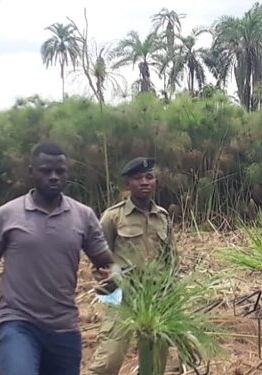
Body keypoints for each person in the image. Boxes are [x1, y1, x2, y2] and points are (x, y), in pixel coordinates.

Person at [0, 142, 114, 375]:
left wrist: (115, 282)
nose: (53, 177)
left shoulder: (83, 216)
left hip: (64, 328)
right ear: (31, 172)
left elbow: (108, 266)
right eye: (45, 170)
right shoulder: (8, 215)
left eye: (60, 171)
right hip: (18, 324)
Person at [88, 157, 176, 375]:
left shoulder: (162, 217)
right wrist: (111, 291)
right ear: (128, 185)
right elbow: (99, 262)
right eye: (138, 178)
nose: (144, 182)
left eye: (149, 177)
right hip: (124, 299)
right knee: (107, 362)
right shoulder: (112, 217)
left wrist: (171, 294)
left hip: (158, 299)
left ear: (155, 181)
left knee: (155, 366)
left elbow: (172, 259)